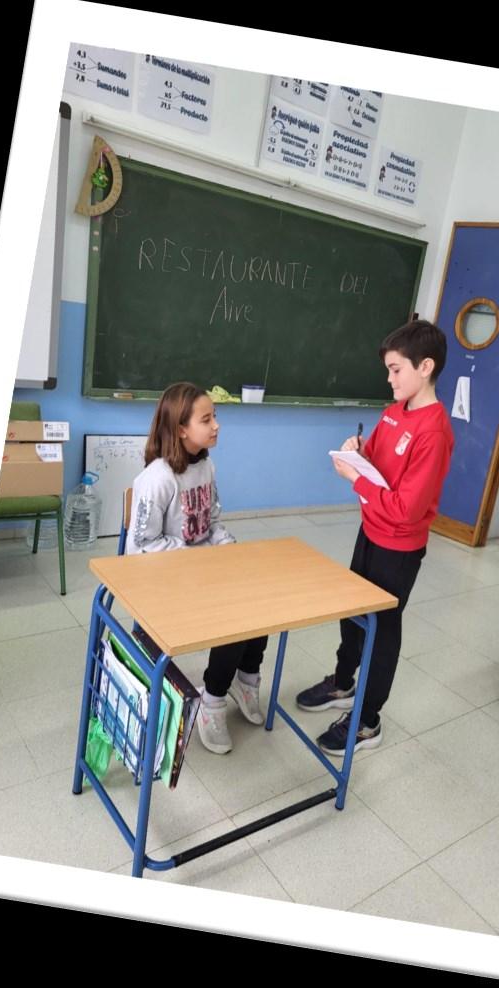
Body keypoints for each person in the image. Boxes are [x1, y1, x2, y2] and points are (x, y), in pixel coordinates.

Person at [295, 319, 454, 755]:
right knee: (353, 613)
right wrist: (358, 451)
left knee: (382, 629)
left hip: (398, 547)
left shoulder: (434, 431)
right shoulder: (393, 412)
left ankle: (367, 720)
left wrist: (355, 479)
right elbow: (378, 461)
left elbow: (406, 508)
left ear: (425, 367)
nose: (389, 379)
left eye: (396, 369)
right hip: (371, 531)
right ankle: (343, 682)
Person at [127, 382, 267, 755]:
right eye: (207, 419)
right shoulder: (157, 478)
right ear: (181, 429)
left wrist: (226, 547)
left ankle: (246, 679)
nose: (216, 425)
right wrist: (195, 554)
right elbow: (139, 547)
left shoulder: (206, 465)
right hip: (168, 580)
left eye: (215, 416)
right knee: (234, 615)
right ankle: (212, 700)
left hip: (201, 570)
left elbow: (211, 523)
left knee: (261, 598)